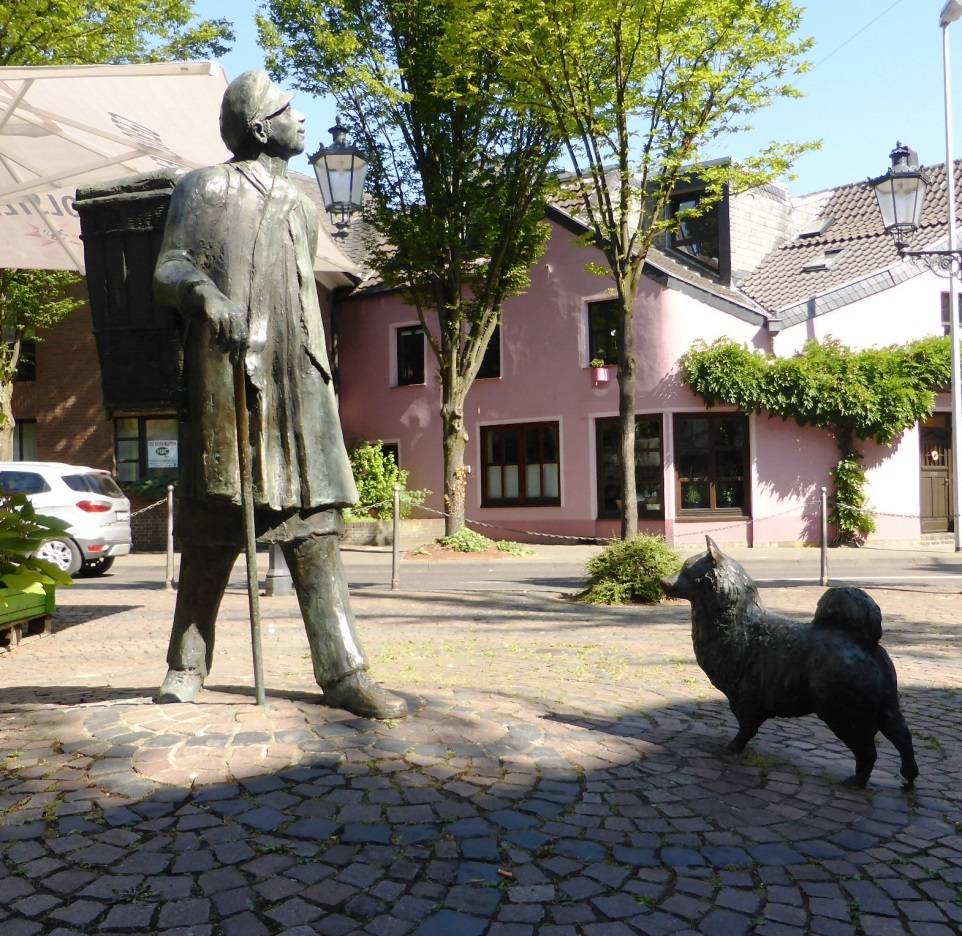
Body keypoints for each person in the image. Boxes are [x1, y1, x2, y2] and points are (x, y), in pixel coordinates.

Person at [152, 69, 406, 720]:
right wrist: (204, 294)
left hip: (297, 377)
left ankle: (344, 671)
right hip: (227, 373)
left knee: (314, 525)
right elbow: (168, 267)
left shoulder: (299, 201)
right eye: (290, 110)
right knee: (213, 526)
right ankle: (187, 664)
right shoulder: (202, 187)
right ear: (261, 128)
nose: (303, 119)